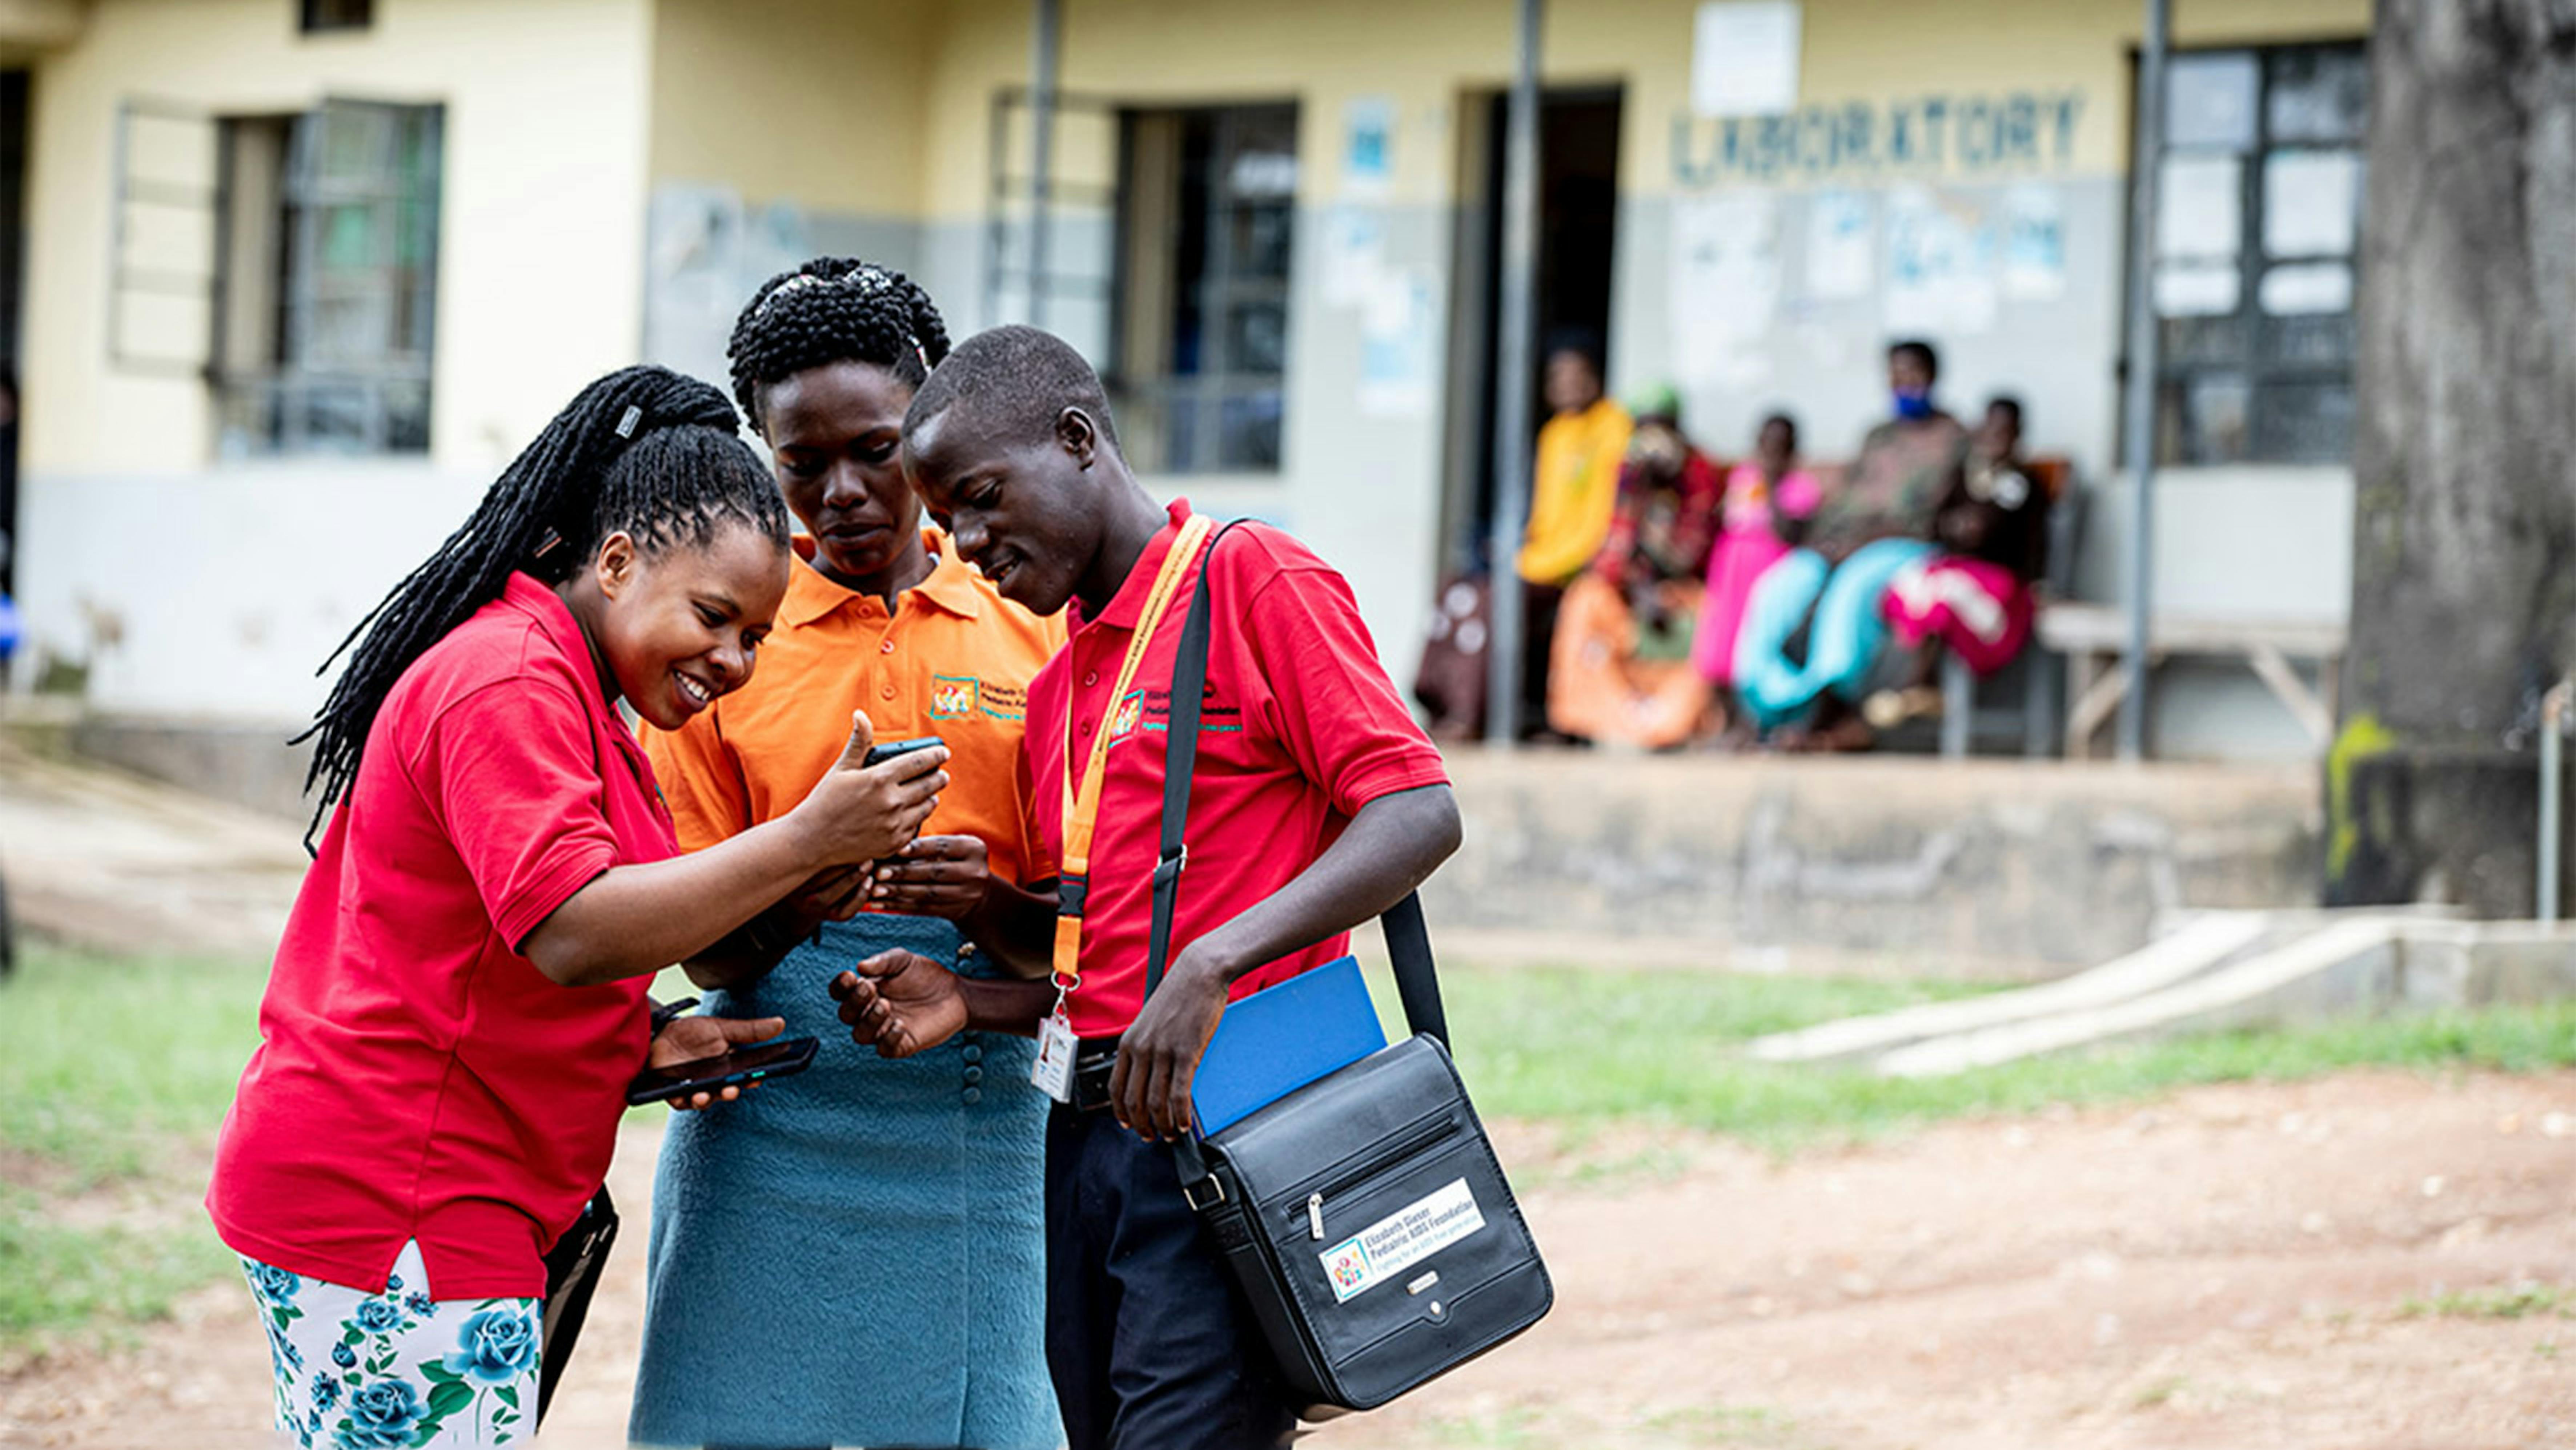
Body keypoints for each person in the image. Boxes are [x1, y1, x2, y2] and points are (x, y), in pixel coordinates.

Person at [206, 367, 952, 1450]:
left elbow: (476, 950)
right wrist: (805, 839)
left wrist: (634, 1040)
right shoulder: (508, 680)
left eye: (754, 636)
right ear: (615, 560)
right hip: (402, 1198)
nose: (733, 662)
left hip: (426, 1190)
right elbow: (569, 928)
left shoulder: (569, 691)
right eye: (713, 616)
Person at [839, 325, 1463, 1450]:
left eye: (983, 498)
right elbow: (1098, 966)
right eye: (949, 523)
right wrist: (974, 975)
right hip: (1083, 1147)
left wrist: (1216, 961)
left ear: (1078, 439)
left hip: (1233, 1131)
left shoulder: (1250, 579)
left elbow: (1417, 808)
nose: (969, 544)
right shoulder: (1056, 686)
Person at [627, 261, 1066, 1450]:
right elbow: (707, 958)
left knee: (992, 1419)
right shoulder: (726, 643)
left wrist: (990, 903)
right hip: (772, 1104)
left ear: (929, 420)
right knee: (741, 1423)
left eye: (876, 448)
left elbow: (1088, 929)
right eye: (798, 465)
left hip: (979, 1101)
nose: (844, 494)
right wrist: (800, 880)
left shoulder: (1033, 615)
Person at [1732, 339, 1970, 749]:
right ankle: (1759, 712)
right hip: (1843, 543)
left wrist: (1858, 544)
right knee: (1780, 586)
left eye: (1914, 373)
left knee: (1851, 591)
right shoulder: (1878, 435)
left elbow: (1932, 515)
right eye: (1897, 374)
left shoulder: (1953, 438)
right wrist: (1827, 540)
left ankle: (1824, 713)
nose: (1905, 382)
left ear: (1933, 377)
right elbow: (1848, 499)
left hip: (1905, 547)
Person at [1545, 383, 1724, 748]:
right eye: (1644, 427)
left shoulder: (1698, 472)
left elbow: (1691, 554)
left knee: (1710, 621)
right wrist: (1640, 491)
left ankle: (1672, 723)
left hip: (1685, 591)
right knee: (1584, 601)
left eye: (1662, 426)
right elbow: (1613, 553)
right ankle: (1607, 720)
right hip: (1633, 592)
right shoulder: (1630, 473)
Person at [1870, 395, 2054, 727]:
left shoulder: (2023, 483)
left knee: (1946, 596)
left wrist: (1973, 529)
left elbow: (2008, 535)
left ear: (2018, 435)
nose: (1996, 438)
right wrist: (1955, 527)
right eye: (1990, 429)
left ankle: (1921, 682)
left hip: (2000, 581)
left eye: (2005, 431)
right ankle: (1920, 684)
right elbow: (1938, 522)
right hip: (1956, 566)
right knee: (1914, 584)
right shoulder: (1965, 474)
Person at [1512, 331, 1631, 738]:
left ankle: (1557, 719)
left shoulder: (1613, 427)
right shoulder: (1555, 434)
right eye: (1556, 376)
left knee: (1517, 603)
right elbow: (1545, 514)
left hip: (1584, 558)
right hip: (1548, 557)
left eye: (1574, 375)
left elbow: (1603, 513)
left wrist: (1561, 561)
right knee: (1476, 595)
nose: (1565, 385)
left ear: (1595, 378)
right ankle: (1468, 710)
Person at [1690, 412, 1821, 710]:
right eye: (1765, 444)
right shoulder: (1742, 477)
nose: (1770, 454)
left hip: (1767, 574)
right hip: (1732, 573)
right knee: (1724, 641)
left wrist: (1774, 485)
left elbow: (1788, 533)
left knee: (1756, 645)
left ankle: (1756, 717)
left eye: (1779, 447)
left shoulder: (1801, 488)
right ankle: (1727, 718)